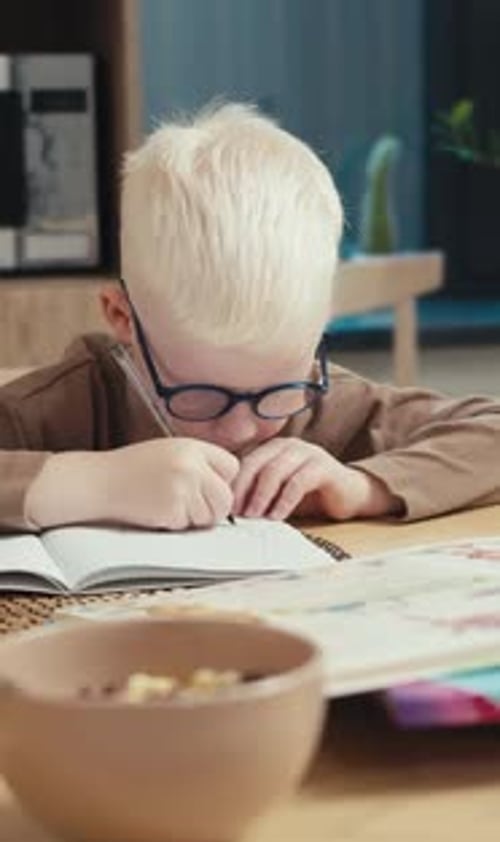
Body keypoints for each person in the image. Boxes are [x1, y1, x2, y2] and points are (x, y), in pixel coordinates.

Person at [1, 102, 500, 533]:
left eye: (276, 392)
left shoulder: (322, 404)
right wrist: (88, 484)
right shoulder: (54, 408)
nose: (242, 430)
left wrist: (361, 486)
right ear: (123, 318)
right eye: (200, 395)